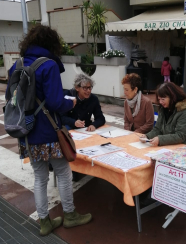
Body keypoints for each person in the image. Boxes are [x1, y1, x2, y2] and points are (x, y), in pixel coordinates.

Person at [7, 25, 92, 236]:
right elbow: (55, 102)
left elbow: (12, 99)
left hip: (27, 131)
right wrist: (71, 104)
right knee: (63, 172)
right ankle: (70, 216)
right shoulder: (49, 65)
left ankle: (45, 222)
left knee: (39, 177)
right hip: (49, 131)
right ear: (50, 44)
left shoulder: (16, 65)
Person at [141, 82, 186, 146]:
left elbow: (180, 136)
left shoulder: (184, 111)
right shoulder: (163, 109)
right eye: (159, 99)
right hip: (173, 145)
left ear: (172, 97)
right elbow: (158, 129)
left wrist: (160, 139)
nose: (160, 102)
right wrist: (147, 136)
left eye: (163, 99)